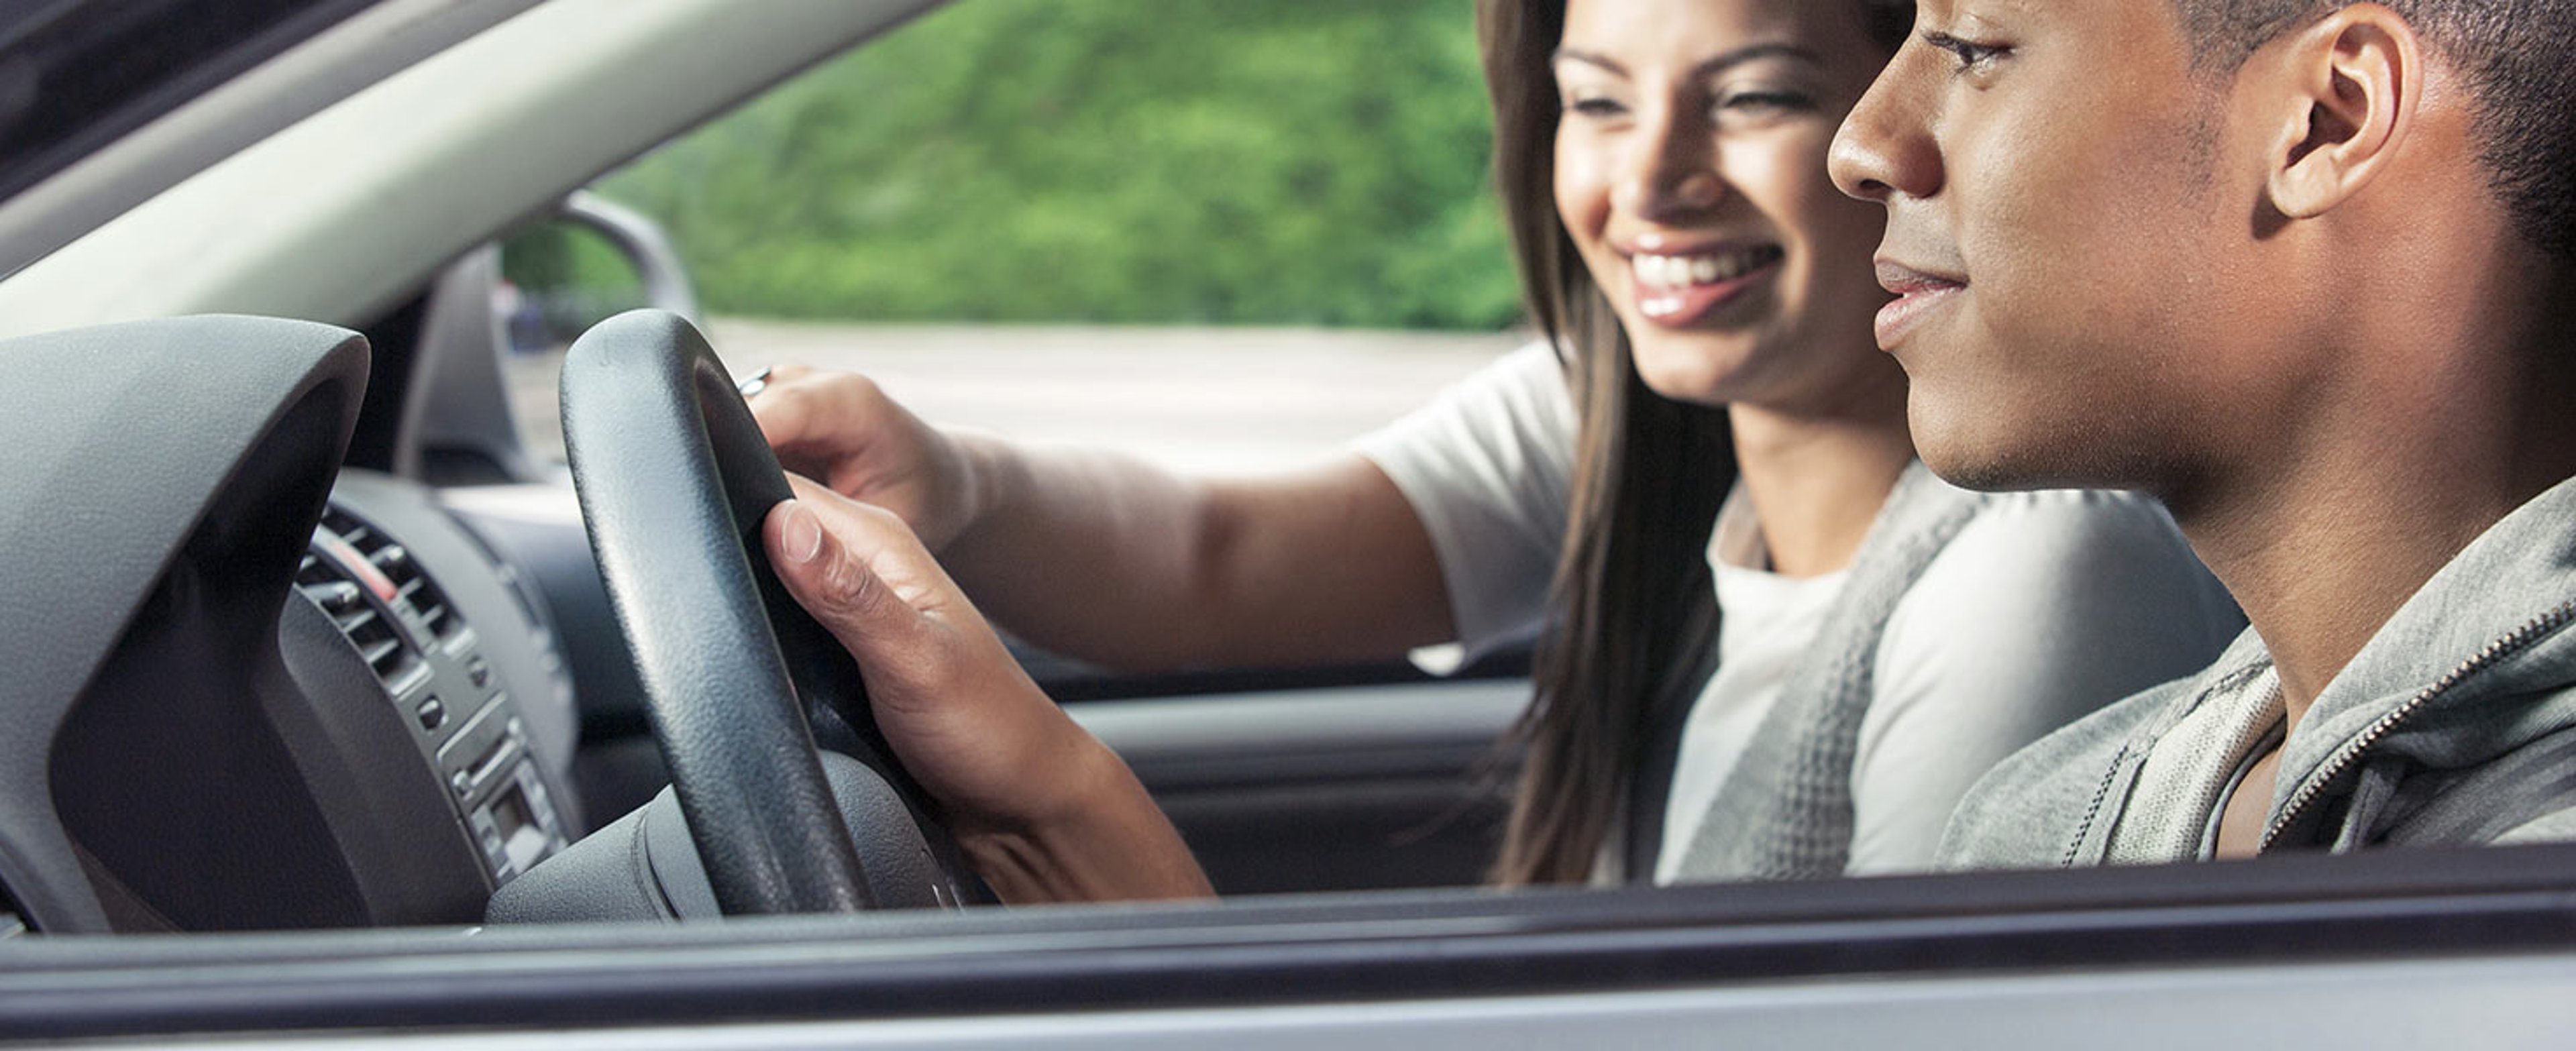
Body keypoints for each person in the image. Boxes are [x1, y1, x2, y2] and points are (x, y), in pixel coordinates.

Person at [749, 0, 2239, 903]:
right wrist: (951, 482)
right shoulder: (1638, 419)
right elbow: (1218, 557)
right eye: (1597, 103)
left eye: (1753, 98)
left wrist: (1065, 816)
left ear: (1900, 128)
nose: (1649, 181)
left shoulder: (2034, 577)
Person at [1825, 0, 2576, 865]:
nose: (1862, 147)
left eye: (1974, 48)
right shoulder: (2038, 829)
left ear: (2329, 120)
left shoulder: (2527, 896)